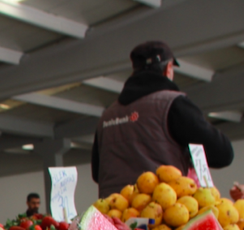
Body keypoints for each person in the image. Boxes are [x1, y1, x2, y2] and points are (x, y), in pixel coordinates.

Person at [91, 40, 233, 198]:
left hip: (112, 209)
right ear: (168, 69)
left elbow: (97, 174)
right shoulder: (173, 104)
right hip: (160, 208)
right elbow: (223, 153)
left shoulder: (106, 116)